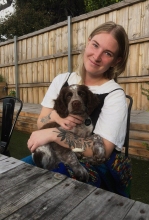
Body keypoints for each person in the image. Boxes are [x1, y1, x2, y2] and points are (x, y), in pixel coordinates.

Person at [22, 21, 132, 198]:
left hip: (91, 166)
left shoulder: (114, 95)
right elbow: (40, 121)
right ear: (88, 42)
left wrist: (54, 134)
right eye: (95, 45)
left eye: (107, 53)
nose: (96, 56)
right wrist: (55, 116)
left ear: (116, 61)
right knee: (15, 179)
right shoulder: (62, 80)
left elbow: (101, 152)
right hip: (54, 154)